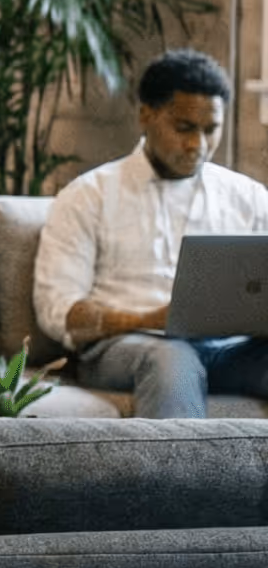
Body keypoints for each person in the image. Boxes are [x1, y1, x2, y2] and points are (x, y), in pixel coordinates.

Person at [33, 49, 268, 418]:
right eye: (184, 128)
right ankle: (184, 479)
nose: (198, 145)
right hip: (129, 348)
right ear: (146, 115)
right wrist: (150, 320)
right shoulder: (88, 195)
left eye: (211, 130)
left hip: (227, 349)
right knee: (170, 357)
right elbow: (57, 311)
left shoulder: (248, 197)